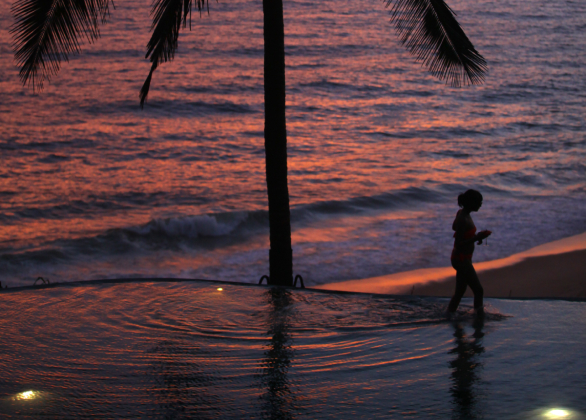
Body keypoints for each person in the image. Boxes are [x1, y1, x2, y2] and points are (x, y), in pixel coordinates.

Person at [447, 189, 491, 317]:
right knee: (478, 290)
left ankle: (449, 314)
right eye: (479, 202)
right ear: (471, 203)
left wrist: (476, 238)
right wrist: (477, 238)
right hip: (461, 259)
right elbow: (459, 244)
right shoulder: (463, 219)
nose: (481, 204)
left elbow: (463, 236)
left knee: (460, 292)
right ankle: (479, 318)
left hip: (463, 258)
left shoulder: (463, 213)